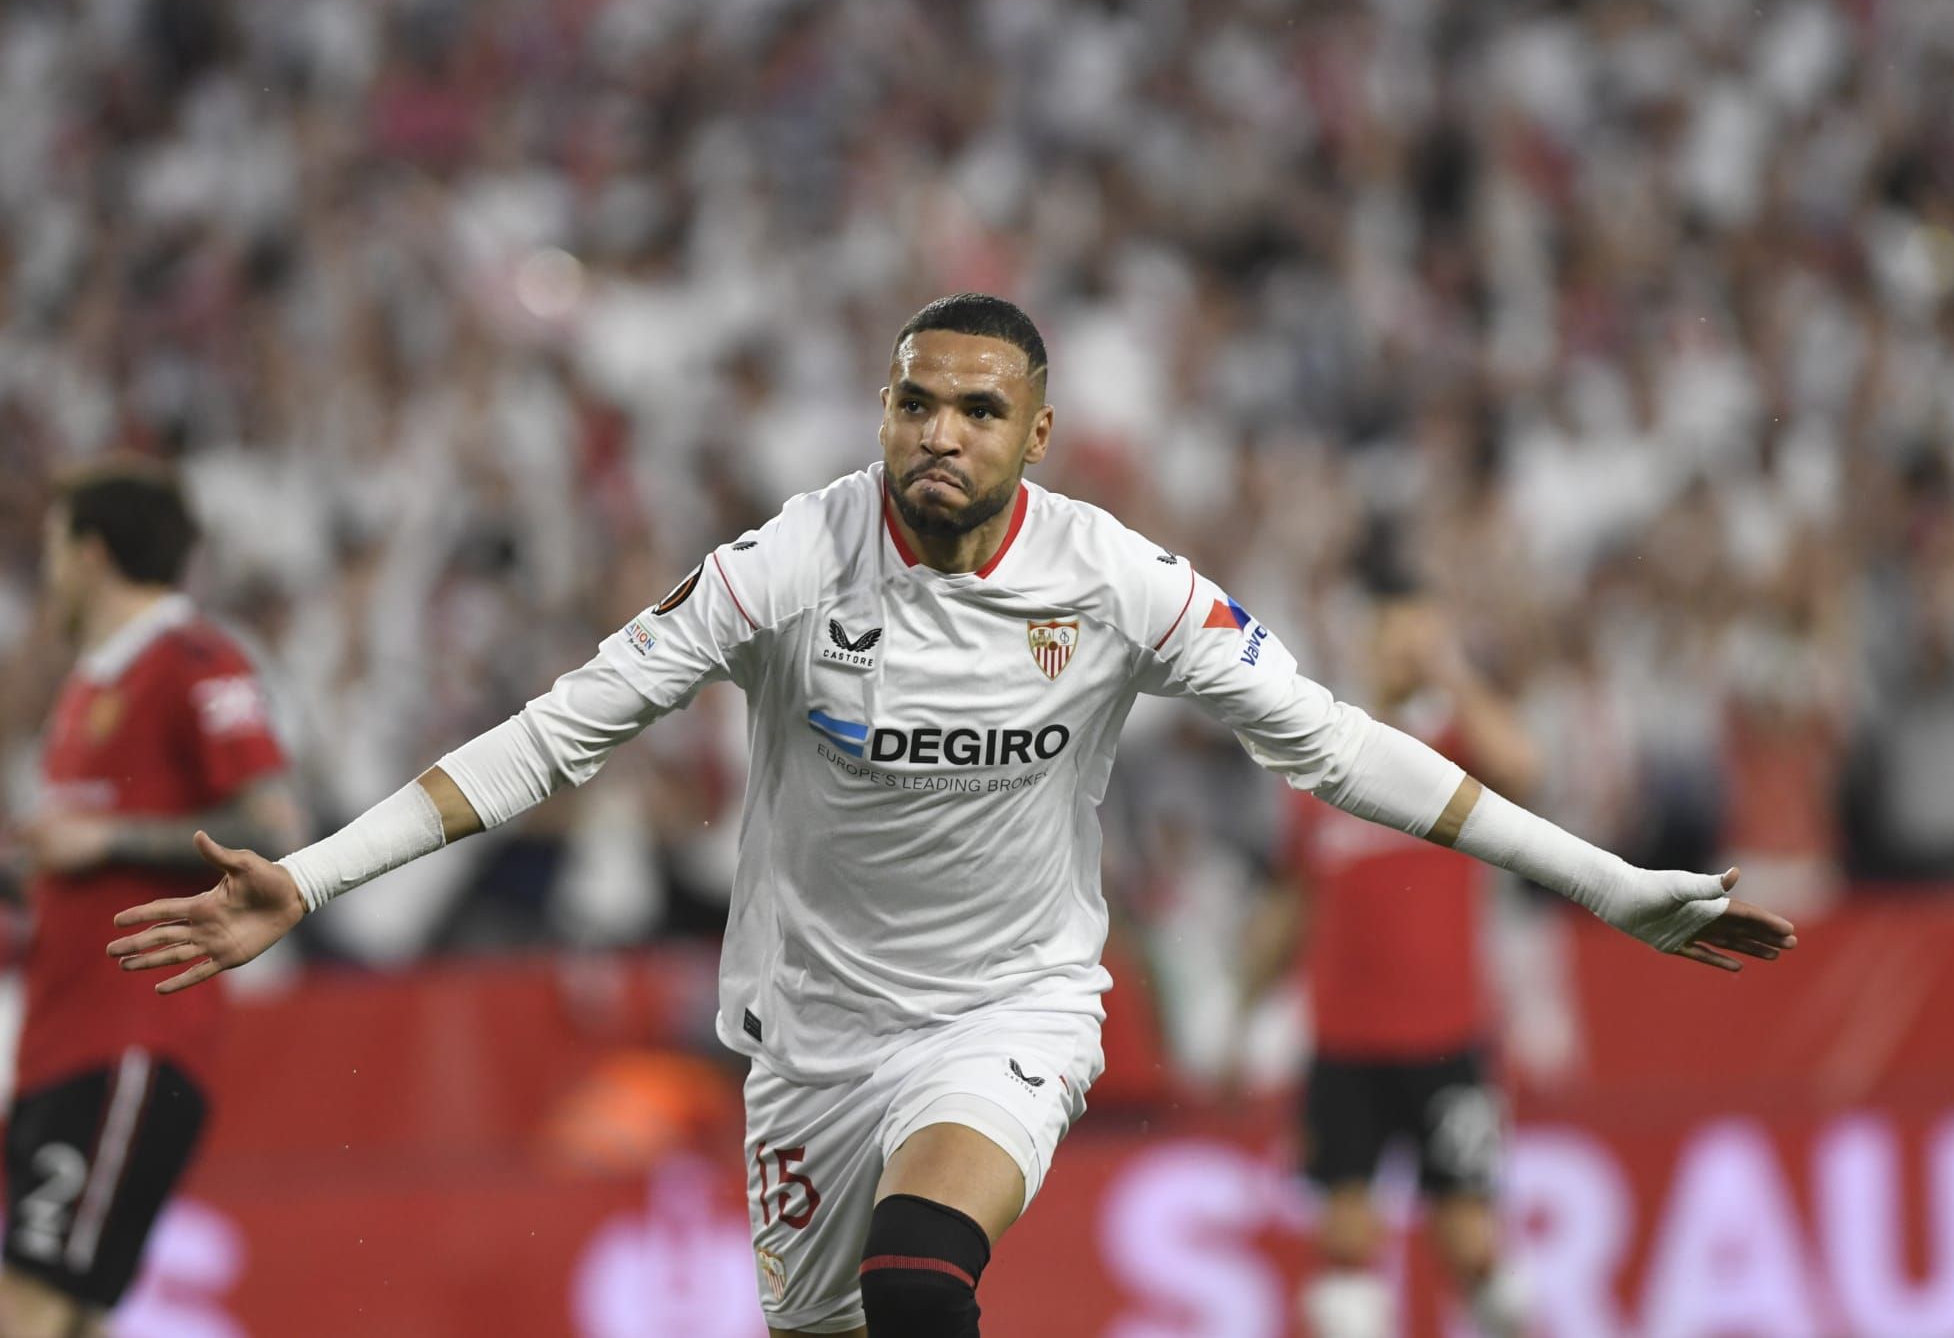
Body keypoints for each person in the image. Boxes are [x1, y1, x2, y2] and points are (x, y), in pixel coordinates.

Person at [107, 294, 1796, 1338]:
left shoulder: (1118, 581)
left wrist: (1601, 881)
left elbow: (1345, 748)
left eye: (976, 408)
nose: (936, 432)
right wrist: (309, 884)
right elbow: (559, 736)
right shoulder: (788, 563)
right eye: (913, 400)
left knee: (926, 1283)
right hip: (809, 1037)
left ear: (1036, 435)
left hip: (1006, 1012)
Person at [5, 461, 301, 1338]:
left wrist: (108, 838)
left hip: (129, 1039)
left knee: (27, 1300)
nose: (46, 569)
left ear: (90, 555)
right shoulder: (93, 684)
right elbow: (78, 866)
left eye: (54, 547)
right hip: (63, 1042)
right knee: (73, 1314)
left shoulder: (195, 657)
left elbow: (275, 823)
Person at [1239, 563, 1541, 1338]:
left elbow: (1524, 767)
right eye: (1387, 634)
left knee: (1474, 1250)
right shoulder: (1324, 754)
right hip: (1343, 1043)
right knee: (1344, 1256)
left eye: (1414, 634)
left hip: (1446, 1038)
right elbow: (1290, 900)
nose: (1399, 650)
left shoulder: (1455, 744)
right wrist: (1239, 1012)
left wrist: (1451, 670)